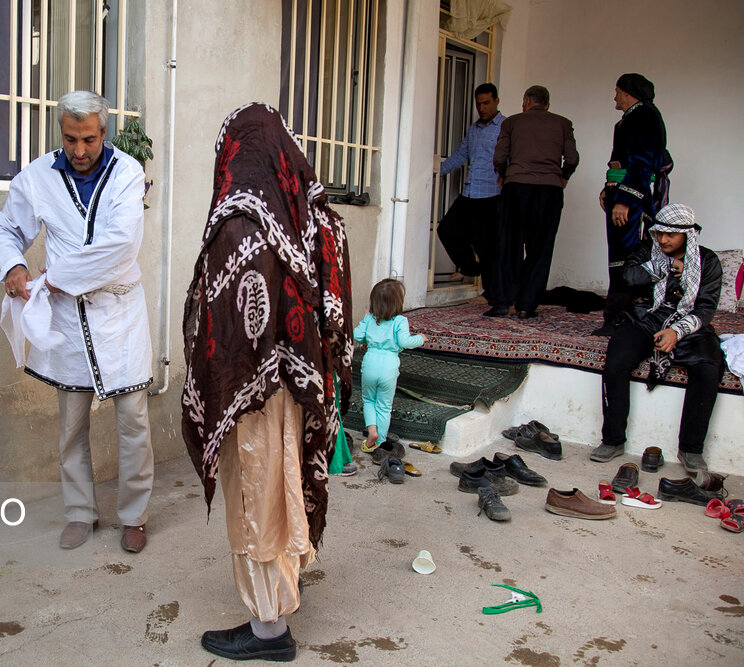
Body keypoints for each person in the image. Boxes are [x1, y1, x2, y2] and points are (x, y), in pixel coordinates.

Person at [182, 102, 353, 662]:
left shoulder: (240, 223)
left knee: (259, 499)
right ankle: (282, 594)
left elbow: (226, 332)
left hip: (251, 395)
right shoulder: (315, 210)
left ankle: (268, 632)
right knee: (286, 489)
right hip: (303, 387)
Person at [0, 91, 154, 553]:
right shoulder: (38, 176)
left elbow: (120, 247)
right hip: (67, 320)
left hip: (119, 314)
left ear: (105, 133)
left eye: (89, 140)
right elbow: (4, 230)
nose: (79, 151)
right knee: (70, 425)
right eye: (70, 139)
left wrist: (55, 277)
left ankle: (134, 515)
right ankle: (80, 511)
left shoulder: (127, 174)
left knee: (133, 422)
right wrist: (13, 267)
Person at [591, 204, 723, 473]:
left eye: (671, 235)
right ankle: (613, 439)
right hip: (645, 319)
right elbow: (628, 275)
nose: (663, 240)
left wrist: (677, 332)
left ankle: (691, 449)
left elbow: (705, 309)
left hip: (688, 324)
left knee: (709, 366)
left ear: (687, 234)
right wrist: (661, 266)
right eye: (660, 233)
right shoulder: (647, 251)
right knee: (616, 359)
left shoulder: (707, 261)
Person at [488, 85, 579, 319]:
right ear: (547, 104)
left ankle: (501, 303)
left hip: (517, 187)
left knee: (509, 244)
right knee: (541, 247)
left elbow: (499, 156)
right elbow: (572, 158)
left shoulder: (512, 123)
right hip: (549, 189)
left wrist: (505, 174)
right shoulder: (563, 123)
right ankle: (527, 305)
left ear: (526, 101)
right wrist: (564, 176)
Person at [593, 73, 669, 336]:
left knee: (625, 256)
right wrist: (609, 188)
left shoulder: (644, 115)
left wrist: (625, 199)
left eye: (617, 91)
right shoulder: (632, 117)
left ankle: (622, 319)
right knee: (618, 255)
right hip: (622, 190)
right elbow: (620, 161)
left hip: (630, 196)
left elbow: (640, 163)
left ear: (627, 92)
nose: (614, 96)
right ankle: (617, 317)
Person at [437, 83, 504, 290]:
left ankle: (493, 296)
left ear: (496, 102)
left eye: (486, 103)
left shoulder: (506, 127)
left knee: (486, 246)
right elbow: (461, 154)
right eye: (478, 104)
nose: (482, 108)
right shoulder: (473, 129)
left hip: (491, 195)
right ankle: (470, 267)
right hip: (469, 193)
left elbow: (512, 158)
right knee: (446, 229)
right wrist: (434, 172)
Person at [354, 279, 427, 451]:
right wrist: (421, 338)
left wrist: (367, 338)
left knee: (368, 400)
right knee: (384, 406)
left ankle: (372, 431)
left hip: (370, 363)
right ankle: (380, 443)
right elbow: (404, 341)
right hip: (389, 366)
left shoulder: (369, 318)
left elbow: (357, 335)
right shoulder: (399, 321)